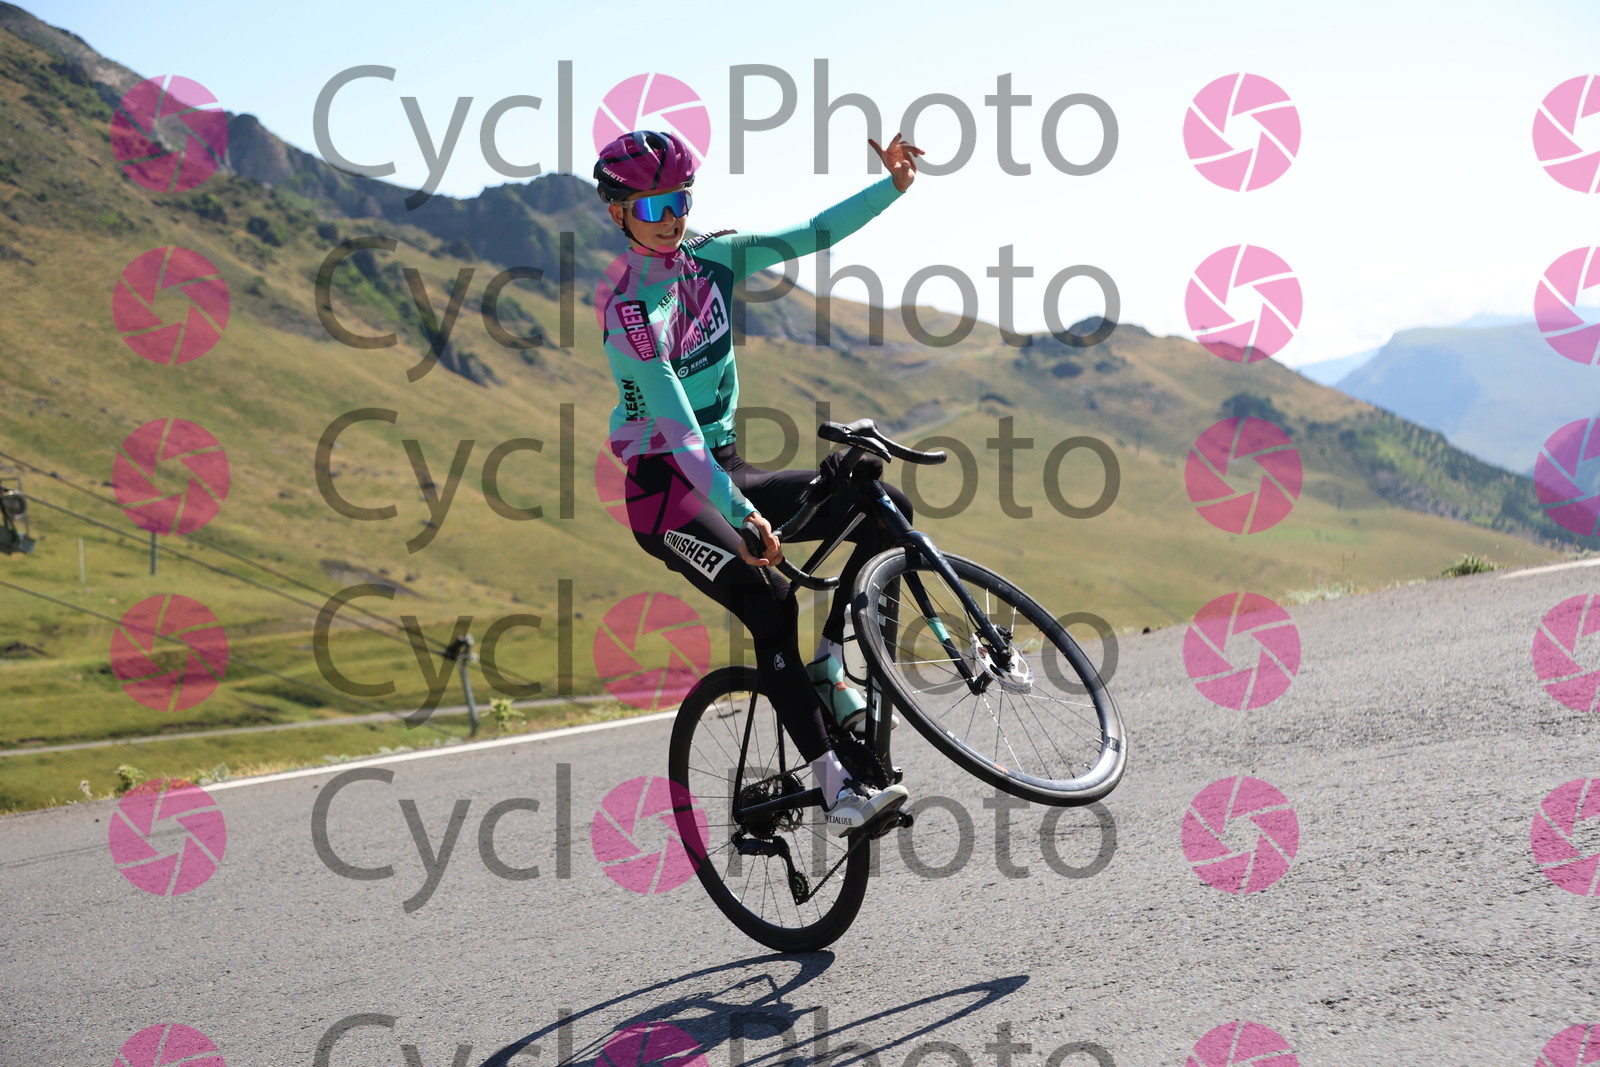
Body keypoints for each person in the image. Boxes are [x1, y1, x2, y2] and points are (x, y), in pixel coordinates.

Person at [594, 128, 924, 835]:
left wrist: (892, 188)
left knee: (882, 506)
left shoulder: (713, 257)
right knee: (770, 599)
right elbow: (680, 433)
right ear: (619, 213)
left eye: (679, 200)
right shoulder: (631, 316)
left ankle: (831, 664)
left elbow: (810, 234)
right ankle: (836, 789)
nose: (671, 219)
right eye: (651, 208)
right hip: (666, 493)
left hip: (726, 465)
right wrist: (742, 514)